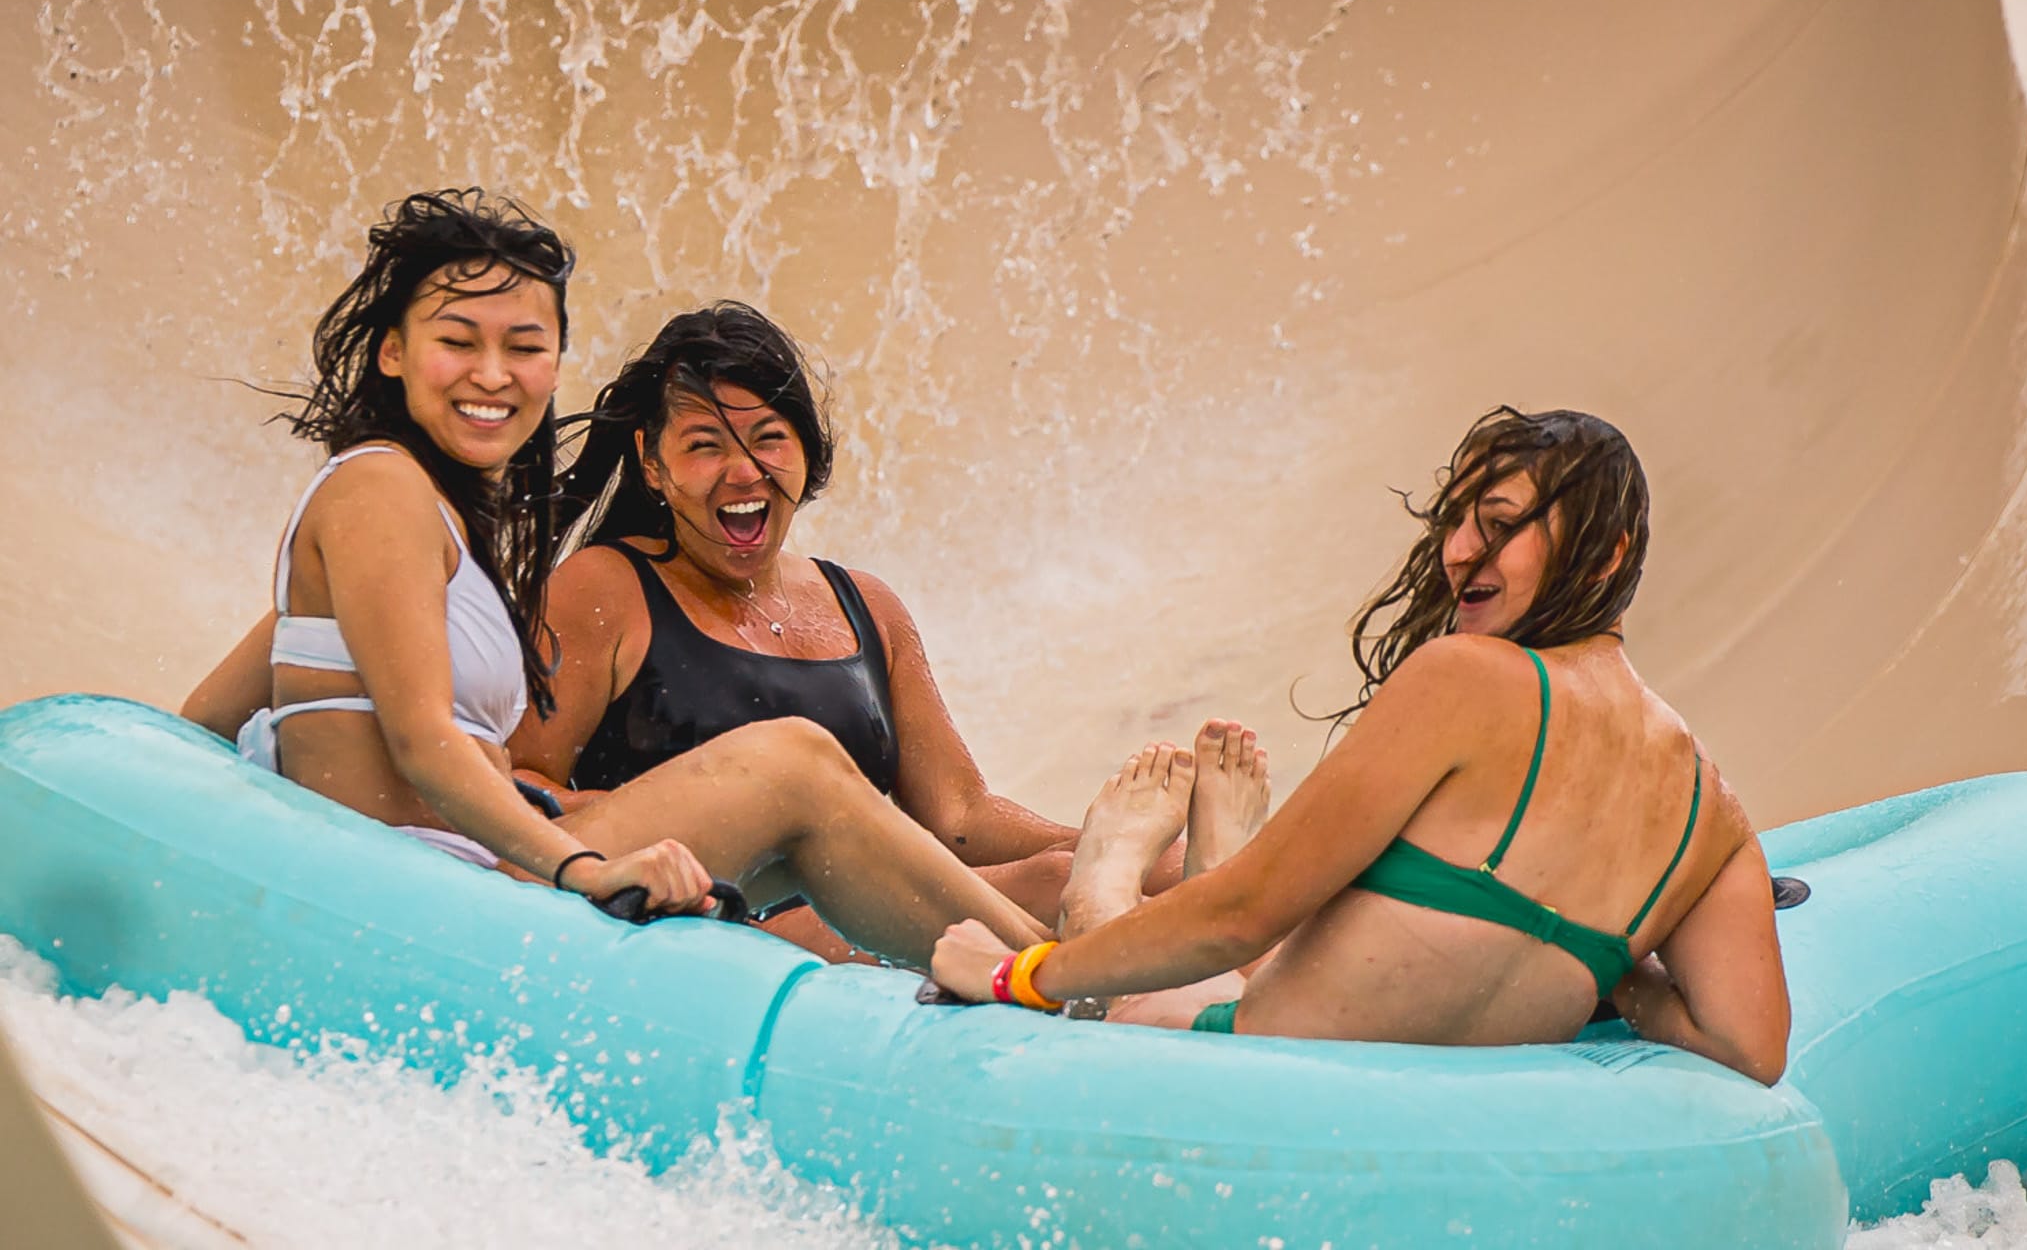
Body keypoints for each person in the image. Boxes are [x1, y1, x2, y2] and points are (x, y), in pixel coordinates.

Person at [182, 190, 1047, 967]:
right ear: (393, 353)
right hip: (432, 902)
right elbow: (424, 743)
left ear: (556, 364)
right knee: (796, 760)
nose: (494, 374)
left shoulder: (434, 516)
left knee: (856, 835)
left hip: (466, 877)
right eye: (458, 342)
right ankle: (1051, 980)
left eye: (525, 346)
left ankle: (1057, 968)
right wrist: (585, 865)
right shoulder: (382, 489)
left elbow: (211, 718)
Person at [929, 407, 1791, 1084]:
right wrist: (1618, 964)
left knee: (1146, 981)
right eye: (1455, 521)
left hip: (1243, 1066)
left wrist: (1018, 977)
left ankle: (1108, 870)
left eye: (1497, 524)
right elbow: (1747, 1047)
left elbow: (1239, 919)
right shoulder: (1710, 809)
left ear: (1606, 554)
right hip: (1425, 1114)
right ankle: (1215, 853)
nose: (1458, 552)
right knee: (1262, 935)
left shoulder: (1466, 679)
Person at [509, 303, 1086, 958]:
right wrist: (685, 820)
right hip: (707, 927)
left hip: (852, 918)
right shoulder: (606, 589)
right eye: (704, 445)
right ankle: (1060, 979)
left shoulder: (867, 606)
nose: (744, 471)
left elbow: (961, 818)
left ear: (807, 450)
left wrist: (1100, 841)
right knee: (1050, 890)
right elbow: (520, 784)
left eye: (769, 438)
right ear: (651, 462)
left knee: (1070, 873)